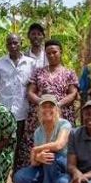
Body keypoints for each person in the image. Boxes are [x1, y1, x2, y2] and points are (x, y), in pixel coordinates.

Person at [16, 40, 78, 173]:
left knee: (61, 146)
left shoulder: (69, 73)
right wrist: (42, 104)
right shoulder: (38, 72)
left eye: (54, 52)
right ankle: (31, 178)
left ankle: (61, 176)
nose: (51, 55)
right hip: (41, 114)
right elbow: (30, 91)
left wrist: (58, 105)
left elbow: (73, 93)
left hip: (62, 112)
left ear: (61, 52)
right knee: (35, 143)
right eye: (48, 53)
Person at [0, 34, 36, 183]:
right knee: (2, 147)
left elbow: (35, 87)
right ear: (6, 45)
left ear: (21, 43)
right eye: (9, 43)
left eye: (15, 42)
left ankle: (17, 182)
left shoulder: (31, 63)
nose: (12, 45)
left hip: (23, 112)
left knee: (21, 149)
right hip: (4, 113)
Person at [14, 95, 71, 183]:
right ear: (39, 110)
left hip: (62, 167)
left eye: (51, 106)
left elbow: (59, 145)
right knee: (20, 177)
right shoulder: (38, 131)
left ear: (57, 109)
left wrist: (36, 150)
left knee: (51, 157)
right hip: (45, 167)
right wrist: (38, 158)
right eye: (44, 107)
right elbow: (34, 163)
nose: (47, 110)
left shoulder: (64, 124)